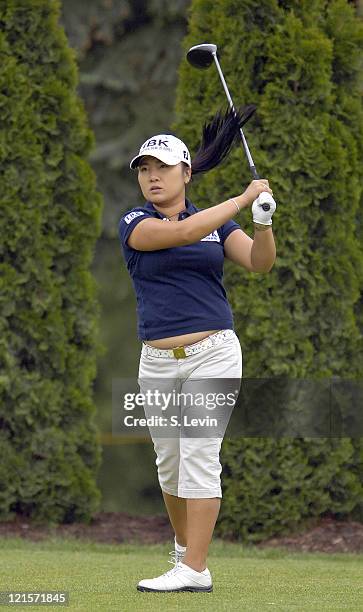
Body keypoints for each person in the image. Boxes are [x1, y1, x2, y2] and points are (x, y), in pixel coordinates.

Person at [118, 106, 276, 593]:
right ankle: (187, 556)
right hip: (158, 361)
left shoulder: (218, 225)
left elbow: (257, 262)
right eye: (145, 169)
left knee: (199, 456)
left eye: (162, 168)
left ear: (185, 173)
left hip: (215, 351)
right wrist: (241, 197)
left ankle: (193, 570)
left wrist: (264, 221)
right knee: (169, 462)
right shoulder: (135, 222)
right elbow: (181, 234)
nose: (152, 177)